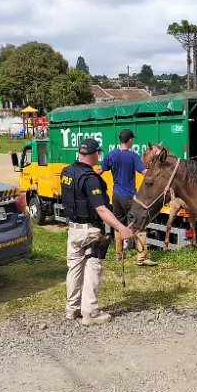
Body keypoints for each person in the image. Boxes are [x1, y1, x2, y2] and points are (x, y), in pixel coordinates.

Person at [61, 138, 134, 325]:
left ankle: (72, 309)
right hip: (89, 231)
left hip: (73, 230)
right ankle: (90, 313)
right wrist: (122, 228)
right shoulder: (91, 179)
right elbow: (101, 210)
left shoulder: (67, 172)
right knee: (93, 269)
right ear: (93, 154)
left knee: (74, 269)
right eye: (98, 154)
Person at [97, 129, 158, 266]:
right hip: (129, 197)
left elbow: (100, 171)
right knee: (139, 224)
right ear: (129, 140)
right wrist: (156, 170)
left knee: (119, 223)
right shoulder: (133, 156)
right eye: (132, 139)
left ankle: (119, 254)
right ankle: (141, 258)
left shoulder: (111, 155)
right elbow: (145, 173)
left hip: (116, 196)